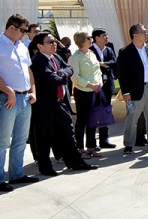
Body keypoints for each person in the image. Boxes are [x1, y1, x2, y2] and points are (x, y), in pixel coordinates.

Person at [0, 13, 39, 191]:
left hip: (24, 97)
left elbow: (28, 70)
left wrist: (32, 91)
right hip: (5, 98)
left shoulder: (21, 46)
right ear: (11, 28)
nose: (24, 34)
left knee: (21, 139)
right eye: (22, 30)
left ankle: (16, 174)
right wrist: (8, 91)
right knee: (2, 140)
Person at [29, 32, 98, 174]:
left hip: (60, 103)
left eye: (55, 41)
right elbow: (54, 79)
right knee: (45, 137)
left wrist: (61, 73)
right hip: (45, 105)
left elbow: (70, 69)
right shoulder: (38, 61)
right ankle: (45, 167)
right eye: (50, 42)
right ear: (40, 46)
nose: (54, 44)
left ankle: (75, 162)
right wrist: (62, 75)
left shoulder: (56, 57)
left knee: (68, 133)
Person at [117, 23, 148, 154]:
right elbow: (122, 74)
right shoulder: (125, 51)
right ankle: (129, 144)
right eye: (144, 32)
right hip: (135, 91)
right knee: (132, 118)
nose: (147, 34)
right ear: (135, 35)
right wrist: (126, 92)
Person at [69, 31, 104, 160]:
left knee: (93, 120)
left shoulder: (92, 54)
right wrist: (90, 85)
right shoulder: (75, 57)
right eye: (88, 38)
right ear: (81, 40)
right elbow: (74, 76)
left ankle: (91, 147)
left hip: (95, 91)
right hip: (83, 92)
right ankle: (80, 149)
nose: (91, 40)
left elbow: (97, 71)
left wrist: (99, 83)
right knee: (82, 121)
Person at [90, 28, 117, 148]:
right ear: (97, 38)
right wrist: (104, 64)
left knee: (105, 110)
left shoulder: (109, 49)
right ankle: (91, 143)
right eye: (104, 36)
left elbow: (114, 62)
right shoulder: (90, 50)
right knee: (94, 112)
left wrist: (102, 64)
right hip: (94, 85)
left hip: (107, 84)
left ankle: (104, 139)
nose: (107, 37)